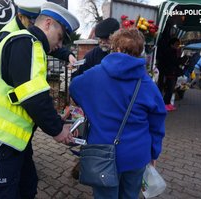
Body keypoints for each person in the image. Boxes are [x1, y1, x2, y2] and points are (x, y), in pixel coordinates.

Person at [0, 2, 80, 199]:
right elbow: (34, 97)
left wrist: (59, 121)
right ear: (47, 23)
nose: (60, 45)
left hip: (15, 141)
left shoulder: (30, 45)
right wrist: (57, 130)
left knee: (28, 186)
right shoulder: (25, 43)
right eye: (60, 37)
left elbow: (33, 93)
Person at [69, 28, 166, 199]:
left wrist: (93, 107)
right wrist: (154, 153)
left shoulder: (95, 74)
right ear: (140, 51)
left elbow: (75, 88)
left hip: (101, 152)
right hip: (137, 154)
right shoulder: (148, 84)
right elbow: (157, 126)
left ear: (116, 48)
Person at [0, 0, 77, 65]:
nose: (36, 24)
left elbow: (48, 45)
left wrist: (67, 55)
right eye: (32, 21)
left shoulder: (31, 33)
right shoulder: (7, 35)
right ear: (20, 16)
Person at [162, 38, 185, 112]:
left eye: (178, 44)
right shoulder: (171, 51)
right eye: (176, 44)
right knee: (169, 89)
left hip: (172, 72)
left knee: (171, 89)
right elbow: (175, 61)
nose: (178, 46)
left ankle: (168, 103)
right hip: (170, 73)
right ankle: (165, 104)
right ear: (172, 44)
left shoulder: (173, 51)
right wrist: (183, 59)